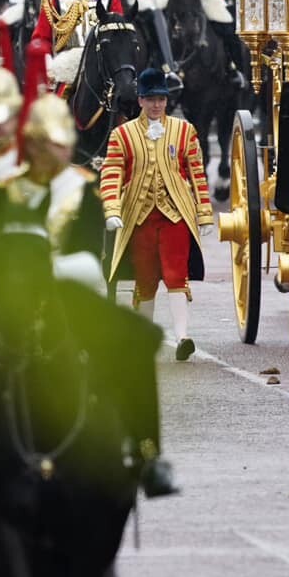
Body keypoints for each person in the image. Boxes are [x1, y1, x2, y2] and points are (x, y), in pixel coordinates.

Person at [100, 68, 212, 361]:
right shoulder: (121, 135)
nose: (156, 105)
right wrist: (111, 209)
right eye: (150, 99)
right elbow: (111, 173)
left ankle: (182, 337)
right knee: (145, 279)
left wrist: (204, 214)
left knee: (177, 276)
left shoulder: (184, 131)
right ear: (140, 101)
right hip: (139, 216)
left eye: (160, 99)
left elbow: (197, 173)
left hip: (175, 215)